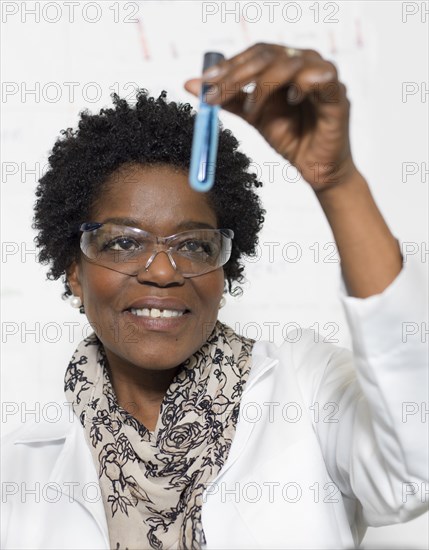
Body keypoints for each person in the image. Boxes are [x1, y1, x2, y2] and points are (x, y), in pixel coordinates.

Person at [1, 43, 427, 550]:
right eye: (122, 242)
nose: (161, 271)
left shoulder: (307, 393)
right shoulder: (19, 476)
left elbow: (413, 472)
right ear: (74, 271)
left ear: (223, 271)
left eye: (194, 245)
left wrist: (337, 183)